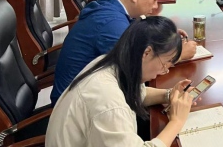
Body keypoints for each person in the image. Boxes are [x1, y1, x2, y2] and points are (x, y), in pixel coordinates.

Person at [46, 16, 196, 147]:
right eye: (165, 64)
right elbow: (113, 104)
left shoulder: (110, 62)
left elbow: (136, 92)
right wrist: (176, 121)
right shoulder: (107, 99)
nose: (164, 71)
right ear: (147, 53)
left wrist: (168, 95)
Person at [50, 0, 197, 105]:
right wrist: (178, 54)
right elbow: (138, 66)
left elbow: (135, 32)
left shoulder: (111, 3)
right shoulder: (111, 23)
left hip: (90, 92)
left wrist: (164, 36)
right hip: (74, 105)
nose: (155, 6)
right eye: (153, 0)